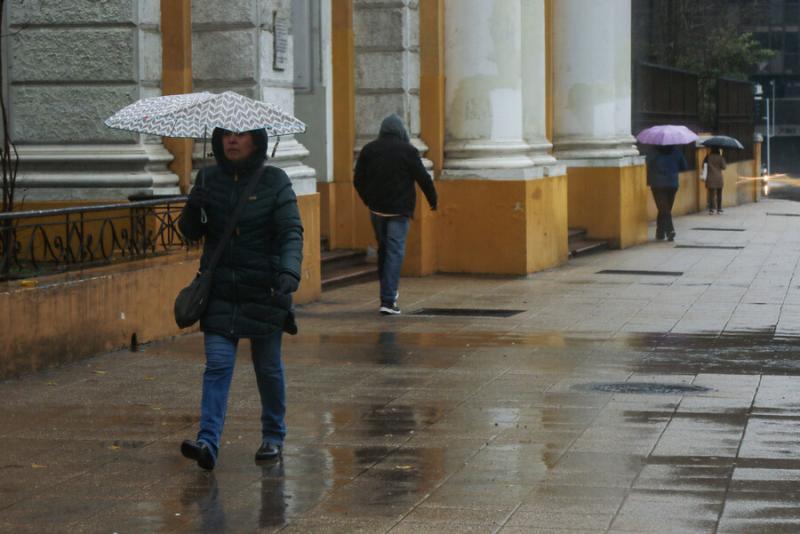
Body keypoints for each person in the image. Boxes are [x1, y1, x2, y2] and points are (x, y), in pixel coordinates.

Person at [177, 127, 303, 470]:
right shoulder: (207, 178)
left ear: (256, 141)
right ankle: (208, 442)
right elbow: (190, 233)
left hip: (265, 288)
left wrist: (290, 271)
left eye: (241, 134)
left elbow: (291, 230)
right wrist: (193, 206)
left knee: (267, 368)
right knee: (217, 365)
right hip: (219, 291)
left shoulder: (274, 180)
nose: (232, 140)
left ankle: (273, 436)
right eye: (226, 135)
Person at [354, 114, 437, 315]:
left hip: (376, 211)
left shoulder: (369, 149)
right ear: (401, 131)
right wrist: (433, 201)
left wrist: (368, 200)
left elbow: (358, 179)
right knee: (394, 253)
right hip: (399, 212)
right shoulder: (408, 151)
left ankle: (387, 294)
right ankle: (388, 300)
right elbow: (423, 178)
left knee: (384, 251)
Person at [646, 144, 688, 241]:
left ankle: (669, 230)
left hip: (657, 184)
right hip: (672, 184)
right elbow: (684, 166)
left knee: (664, 209)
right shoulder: (676, 151)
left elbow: (647, 164)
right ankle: (660, 232)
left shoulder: (653, 152)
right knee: (665, 209)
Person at [703, 148, 727, 214]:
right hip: (719, 178)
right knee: (719, 194)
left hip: (710, 178)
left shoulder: (707, 157)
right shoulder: (720, 157)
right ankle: (719, 209)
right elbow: (724, 167)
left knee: (711, 195)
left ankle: (711, 209)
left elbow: (703, 166)